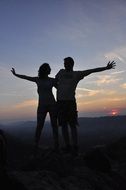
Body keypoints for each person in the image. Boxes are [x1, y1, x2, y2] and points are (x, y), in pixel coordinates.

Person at [55, 57, 116, 155]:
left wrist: (105, 68)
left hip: (70, 102)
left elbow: (92, 71)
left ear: (72, 64)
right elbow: (55, 81)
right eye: (65, 63)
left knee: (72, 124)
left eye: (67, 63)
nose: (65, 65)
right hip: (60, 102)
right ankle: (67, 146)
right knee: (63, 125)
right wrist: (59, 89)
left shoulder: (77, 74)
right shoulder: (60, 72)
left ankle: (75, 147)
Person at [11, 63, 59, 152]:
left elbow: (60, 89)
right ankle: (36, 145)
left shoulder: (52, 80)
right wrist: (15, 74)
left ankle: (56, 146)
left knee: (54, 125)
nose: (50, 70)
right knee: (40, 126)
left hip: (52, 105)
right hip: (42, 106)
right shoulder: (38, 79)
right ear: (45, 70)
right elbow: (25, 77)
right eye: (49, 68)